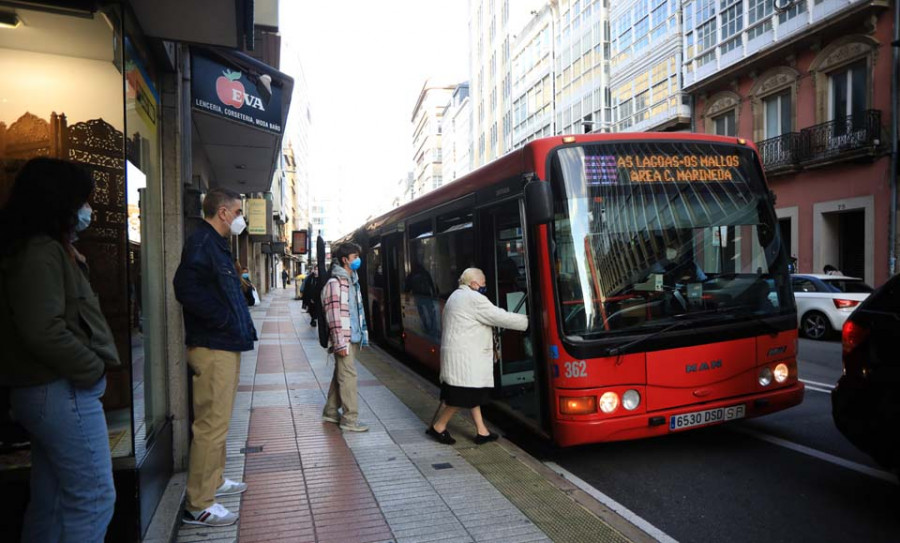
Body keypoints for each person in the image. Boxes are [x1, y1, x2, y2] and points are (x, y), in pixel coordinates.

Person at [0, 158, 120, 542]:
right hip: (59, 388)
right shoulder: (40, 252)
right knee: (95, 497)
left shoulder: (45, 249)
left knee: (51, 500)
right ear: (58, 201)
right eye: (82, 201)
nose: (87, 210)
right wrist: (92, 369)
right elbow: (43, 330)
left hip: (46, 389)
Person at [174, 187, 258, 527]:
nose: (240, 218)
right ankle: (199, 502)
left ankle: (215, 481)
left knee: (219, 422)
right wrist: (223, 319)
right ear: (223, 212)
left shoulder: (217, 245)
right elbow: (185, 288)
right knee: (210, 425)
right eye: (238, 212)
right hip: (213, 345)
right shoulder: (202, 243)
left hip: (224, 343)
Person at [427, 268, 528, 445]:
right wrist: (528, 321)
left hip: (460, 357)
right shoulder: (473, 298)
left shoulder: (456, 295)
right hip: (466, 358)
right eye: (483, 283)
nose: (485, 287)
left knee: (471, 393)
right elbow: (498, 316)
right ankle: (439, 427)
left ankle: (482, 431)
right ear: (474, 284)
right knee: (461, 397)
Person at [321, 242, 369, 432]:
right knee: (349, 376)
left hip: (354, 336)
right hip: (345, 338)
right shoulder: (335, 283)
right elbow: (333, 315)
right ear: (345, 260)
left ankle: (331, 411)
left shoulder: (352, 280)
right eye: (354, 257)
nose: (358, 260)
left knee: (341, 373)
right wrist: (340, 342)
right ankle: (350, 419)